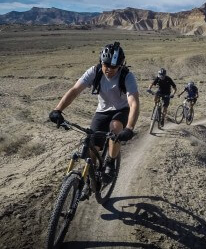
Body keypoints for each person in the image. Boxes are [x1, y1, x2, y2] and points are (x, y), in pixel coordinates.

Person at [49, 42, 139, 180]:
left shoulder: (127, 76)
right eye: (106, 65)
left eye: (113, 66)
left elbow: (133, 103)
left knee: (115, 128)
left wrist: (129, 128)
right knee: (92, 146)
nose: (109, 69)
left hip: (121, 109)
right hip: (102, 111)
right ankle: (91, 180)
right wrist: (58, 109)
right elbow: (74, 91)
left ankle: (110, 162)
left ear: (120, 65)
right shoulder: (94, 71)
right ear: (100, 62)